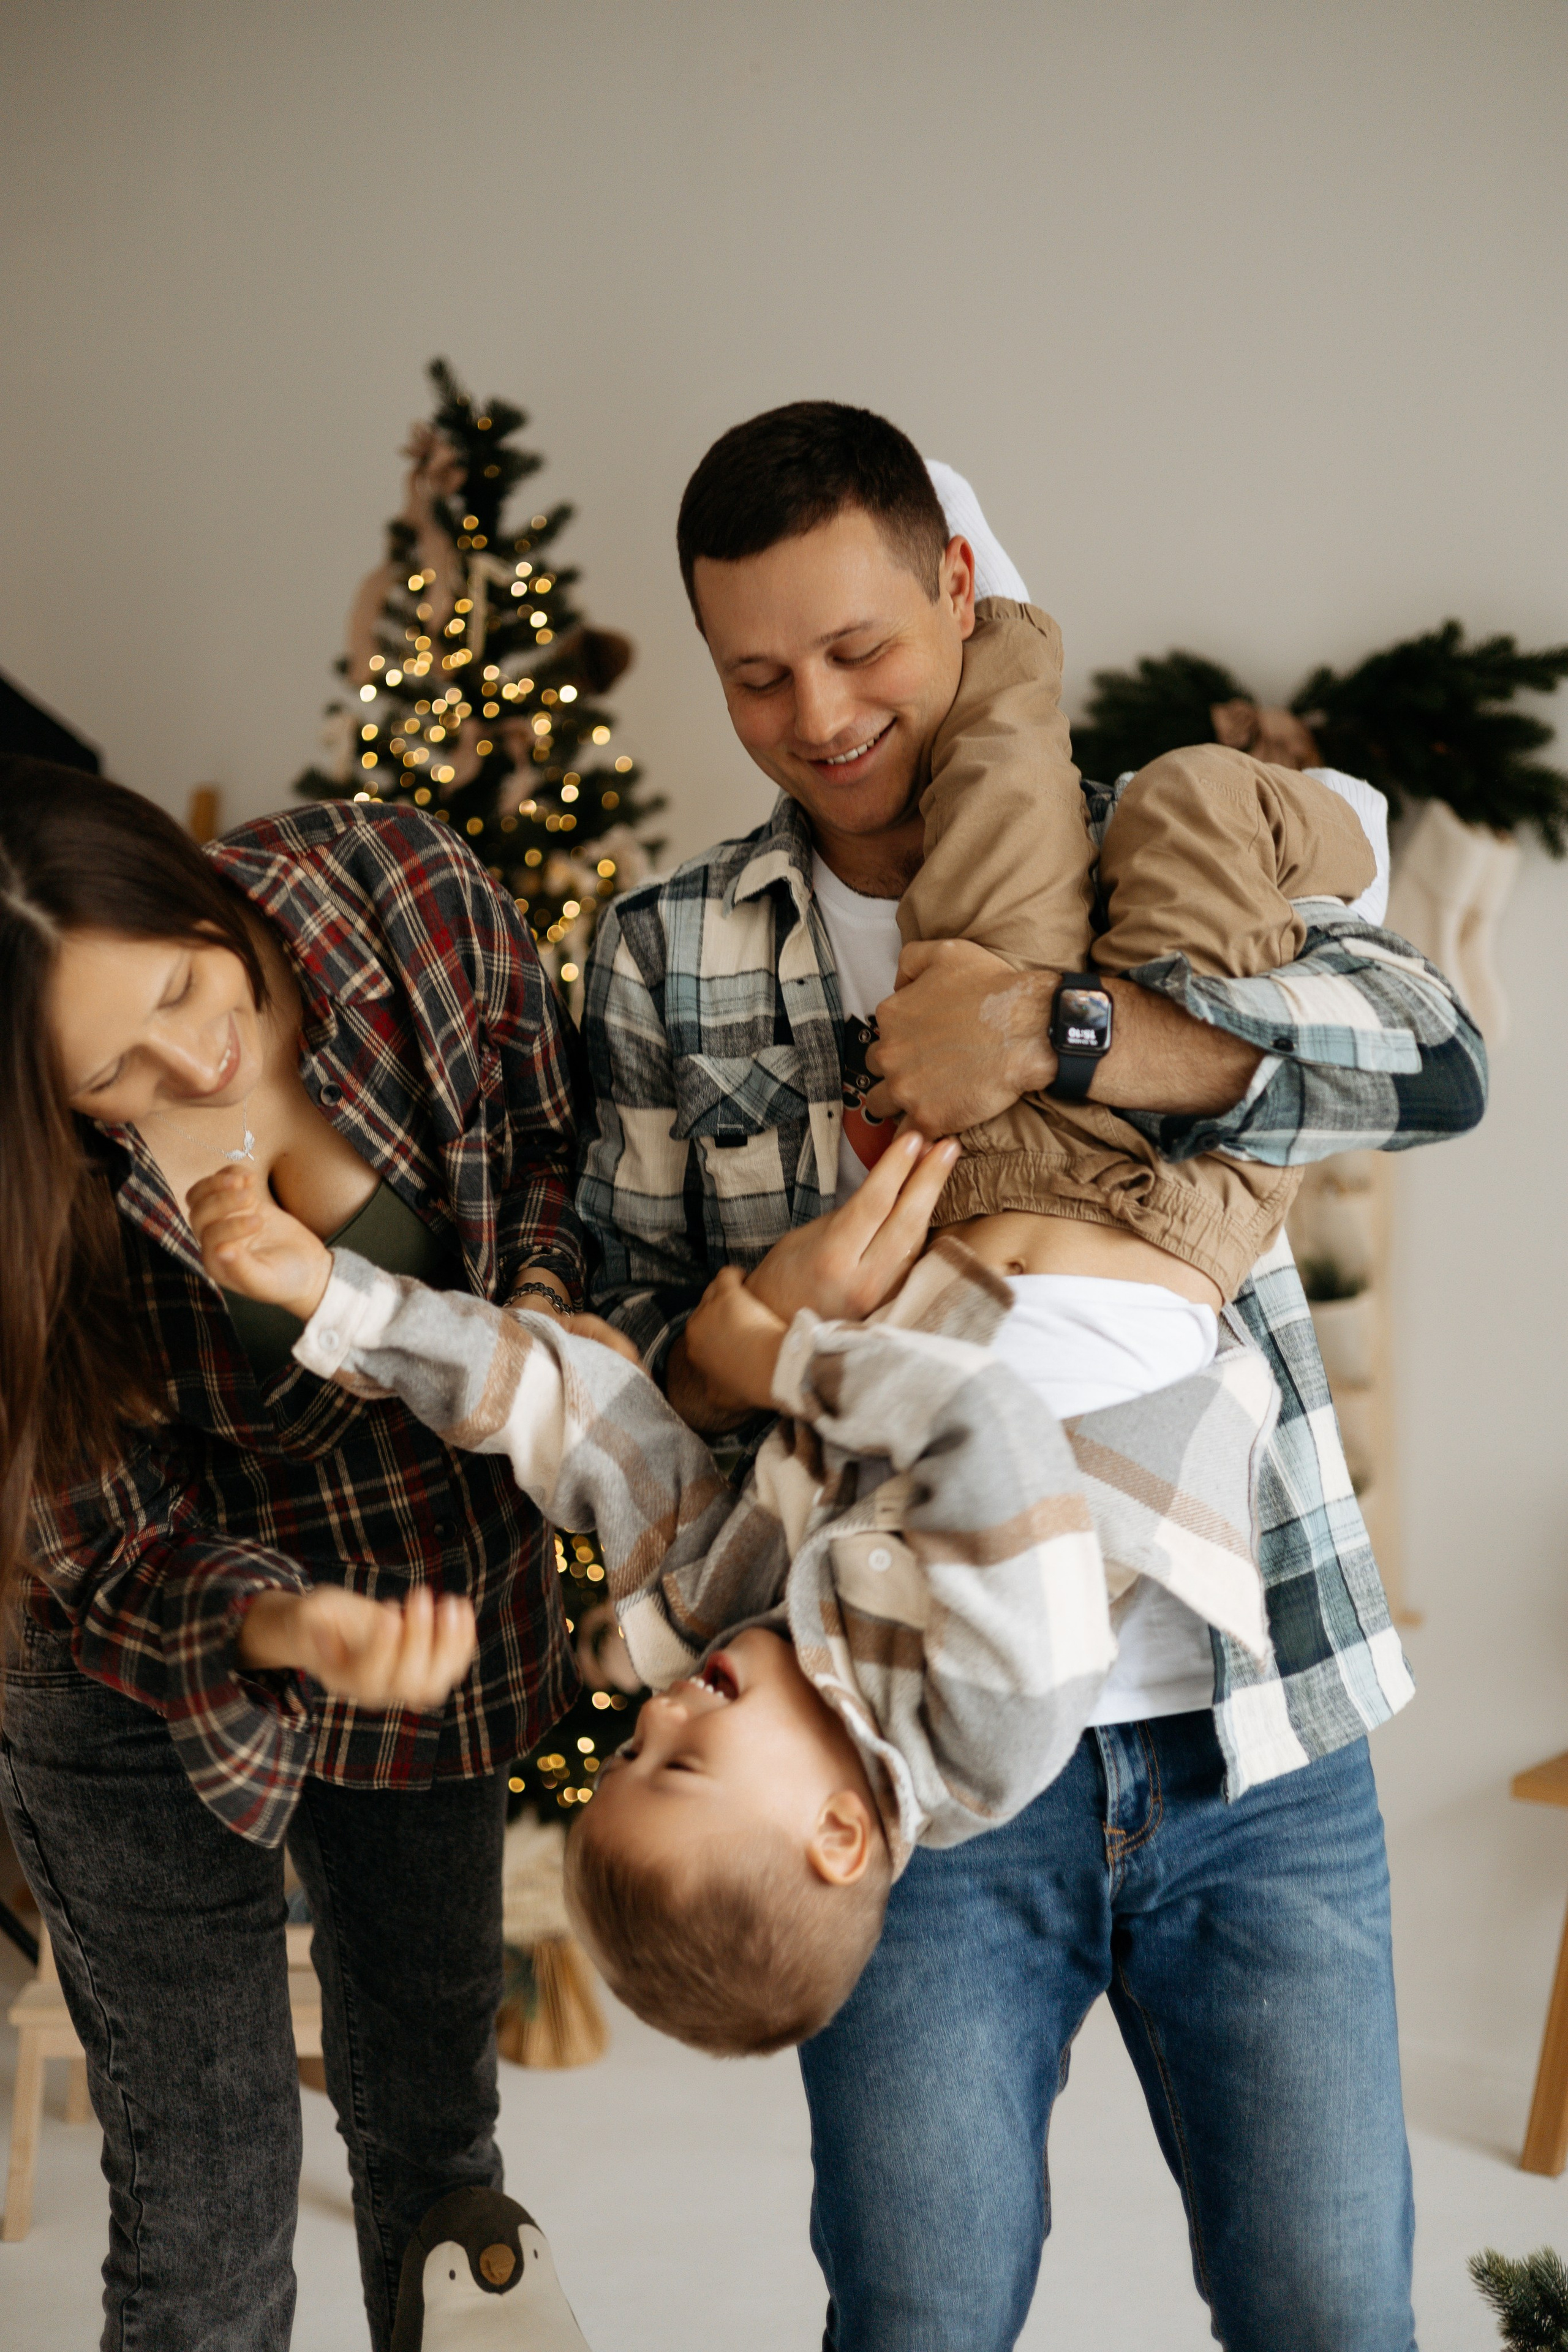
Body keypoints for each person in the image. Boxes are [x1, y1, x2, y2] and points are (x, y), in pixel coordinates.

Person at [576, 402, 1489, 2350]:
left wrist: (1063, 1035)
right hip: (898, 1766)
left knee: (1336, 2312)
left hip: (1253, 1728)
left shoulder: (1147, 841)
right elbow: (629, 1348)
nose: (819, 717)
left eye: (858, 649)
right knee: (917, 2313)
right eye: (756, 677)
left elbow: (1439, 1069)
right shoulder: (668, 950)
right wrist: (762, 1320)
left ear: (957, 588)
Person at [181, 1123, 1276, 2059]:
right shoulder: (990, 1738)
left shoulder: (714, 1619)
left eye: (629, 1754)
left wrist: (338, 1303)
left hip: (985, 1199)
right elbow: (990, 1426)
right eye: (684, 1765)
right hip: (1160, 1201)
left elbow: (579, 1424)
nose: (658, 1714)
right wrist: (776, 1362)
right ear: (838, 1834)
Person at [0, 762, 583, 2352]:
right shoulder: (34, 1199)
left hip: (422, 1594)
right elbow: (102, 1545)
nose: (192, 1062)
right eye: (111, 1073)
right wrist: (282, 1628)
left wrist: (528, 1345)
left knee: (440, 2156)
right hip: (130, 1653)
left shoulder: (398, 893)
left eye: (181, 989)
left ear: (185, 882)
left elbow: (552, 1149)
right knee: (205, 2218)